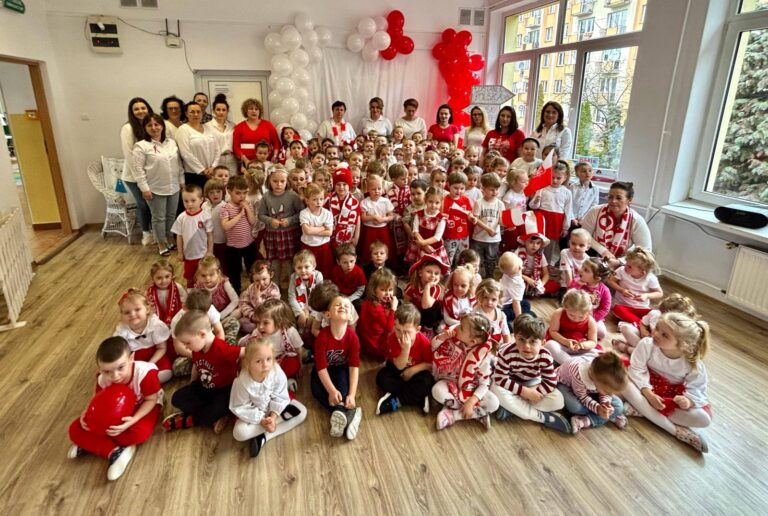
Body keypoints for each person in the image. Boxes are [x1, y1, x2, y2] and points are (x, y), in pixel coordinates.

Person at [67, 336, 162, 481]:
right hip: (116, 411)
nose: (115, 376)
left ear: (131, 358)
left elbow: (151, 400)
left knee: (140, 433)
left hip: (144, 405)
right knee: (75, 429)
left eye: (120, 367)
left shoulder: (145, 373)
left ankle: (94, 443)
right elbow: (97, 401)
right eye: (107, 371)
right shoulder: (103, 379)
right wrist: (87, 413)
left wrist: (132, 420)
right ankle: (114, 450)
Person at [622, 313, 712, 453]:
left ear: (683, 345)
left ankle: (641, 409)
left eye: (665, 335)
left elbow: (697, 389)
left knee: (704, 419)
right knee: (623, 382)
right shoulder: (647, 344)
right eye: (657, 328)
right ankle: (675, 431)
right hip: (644, 387)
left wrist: (688, 401)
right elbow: (637, 369)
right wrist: (649, 394)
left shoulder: (694, 364)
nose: (656, 334)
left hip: (669, 397)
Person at [164, 310, 244, 433]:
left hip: (223, 391)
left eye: (187, 343)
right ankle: (217, 416)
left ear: (202, 334)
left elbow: (245, 351)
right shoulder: (197, 348)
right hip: (205, 387)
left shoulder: (222, 349)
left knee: (214, 409)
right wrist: (192, 385)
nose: (186, 347)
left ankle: (191, 420)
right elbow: (196, 365)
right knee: (176, 398)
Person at [491, 314, 570, 433]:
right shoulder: (506, 352)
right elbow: (500, 378)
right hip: (511, 381)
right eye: (521, 340)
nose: (526, 346)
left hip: (533, 383)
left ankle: (511, 408)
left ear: (542, 343)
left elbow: (551, 382)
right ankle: (541, 417)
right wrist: (524, 392)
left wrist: (535, 392)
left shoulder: (545, 356)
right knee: (494, 388)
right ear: (515, 338)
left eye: (533, 341)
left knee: (558, 401)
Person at [229, 338, 307, 458]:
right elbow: (241, 407)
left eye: (269, 359)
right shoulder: (241, 382)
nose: (265, 365)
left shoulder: (275, 371)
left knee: (302, 412)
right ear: (248, 363)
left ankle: (264, 437)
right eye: (258, 361)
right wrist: (262, 420)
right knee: (239, 433)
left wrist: (273, 417)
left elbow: (280, 395)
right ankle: (276, 422)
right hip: (254, 414)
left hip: (273, 410)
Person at [431, 313, 499, 430]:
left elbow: (484, 384)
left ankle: (453, 415)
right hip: (449, 381)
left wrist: (471, 402)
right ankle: (477, 413)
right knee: (436, 391)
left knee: (494, 403)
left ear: (472, 341)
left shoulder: (483, 357)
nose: (457, 327)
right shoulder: (451, 336)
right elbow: (433, 345)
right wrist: (443, 337)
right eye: (460, 324)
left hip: (471, 387)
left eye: (461, 328)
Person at [311, 296, 363, 440]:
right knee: (316, 390)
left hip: (341, 368)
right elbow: (321, 368)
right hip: (323, 370)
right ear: (328, 314)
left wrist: (352, 395)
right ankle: (346, 413)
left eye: (346, 306)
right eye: (338, 304)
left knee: (343, 388)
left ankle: (340, 411)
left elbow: (354, 367)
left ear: (351, 316)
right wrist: (331, 391)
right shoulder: (322, 337)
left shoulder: (353, 337)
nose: (342, 306)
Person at [132, 114, 184, 256]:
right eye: (150, 125)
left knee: (171, 215)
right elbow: (138, 170)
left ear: (162, 126)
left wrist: (181, 181)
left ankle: (169, 238)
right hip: (155, 188)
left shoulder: (171, 143)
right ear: (145, 128)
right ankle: (161, 243)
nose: (154, 128)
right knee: (159, 218)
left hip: (173, 186)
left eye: (157, 124)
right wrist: (144, 188)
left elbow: (178, 164)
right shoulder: (141, 146)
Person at [375, 303, 435, 415]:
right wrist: (406, 349)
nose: (401, 335)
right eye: (398, 330)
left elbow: (429, 363)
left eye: (407, 332)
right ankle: (418, 396)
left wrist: (412, 370)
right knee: (381, 377)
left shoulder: (424, 342)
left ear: (417, 329)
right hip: (397, 367)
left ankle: (398, 401)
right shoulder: (393, 337)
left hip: (416, 371)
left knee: (428, 381)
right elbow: (399, 366)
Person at [580, 181, 652, 269]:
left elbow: (646, 251)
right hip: (594, 254)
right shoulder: (595, 211)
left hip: (625, 262)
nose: (613, 201)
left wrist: (619, 262)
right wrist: (603, 251)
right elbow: (583, 235)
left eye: (619, 198)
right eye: (610, 197)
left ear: (629, 200)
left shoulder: (636, 220)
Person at [557, 351, 628, 433]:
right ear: (596, 381)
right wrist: (598, 409)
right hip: (566, 385)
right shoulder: (579, 375)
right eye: (608, 391)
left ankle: (587, 420)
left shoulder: (599, 377)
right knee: (576, 407)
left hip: (590, 390)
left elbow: (605, 394)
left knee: (619, 405)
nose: (610, 394)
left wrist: (605, 404)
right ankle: (605, 416)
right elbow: (583, 397)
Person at [258, 166, 305, 287]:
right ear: (269, 181)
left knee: (290, 262)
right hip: (272, 235)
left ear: (287, 181)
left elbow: (302, 213)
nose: (279, 184)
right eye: (275, 181)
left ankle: (293, 286)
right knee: (274, 262)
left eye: (282, 181)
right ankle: (274, 287)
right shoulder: (266, 196)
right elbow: (261, 215)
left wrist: (290, 220)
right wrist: (270, 220)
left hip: (289, 234)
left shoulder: (292, 196)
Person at [114, 288, 172, 383]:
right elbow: (123, 355)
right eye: (127, 312)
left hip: (156, 354)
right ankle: (142, 382)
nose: (132, 314)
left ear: (147, 309)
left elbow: (161, 348)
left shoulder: (154, 324)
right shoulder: (122, 332)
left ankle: (148, 382)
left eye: (137, 309)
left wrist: (150, 364)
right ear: (122, 315)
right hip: (135, 358)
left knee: (166, 373)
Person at [120, 97, 154, 245]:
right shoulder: (128, 128)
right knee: (143, 204)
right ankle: (146, 233)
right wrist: (140, 178)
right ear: (132, 112)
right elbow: (129, 155)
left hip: (150, 174)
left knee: (152, 204)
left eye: (143, 108)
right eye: (136, 109)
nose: (140, 111)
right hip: (133, 176)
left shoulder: (151, 125)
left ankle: (154, 231)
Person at [615, 293, 697, 355]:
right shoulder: (655, 313)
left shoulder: (679, 330)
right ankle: (639, 350)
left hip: (659, 350)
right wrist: (643, 331)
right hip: (645, 341)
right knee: (625, 327)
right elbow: (643, 323)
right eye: (661, 313)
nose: (662, 317)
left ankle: (628, 349)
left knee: (651, 355)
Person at [248, 299, 304, 382]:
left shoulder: (290, 332)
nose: (260, 327)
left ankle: (283, 381)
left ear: (279, 322)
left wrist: (301, 365)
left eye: (265, 323)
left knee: (293, 365)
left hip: (283, 359)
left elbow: (298, 349)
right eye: (258, 323)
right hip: (265, 361)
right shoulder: (256, 333)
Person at [529, 160, 574, 263]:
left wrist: (565, 227)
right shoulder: (542, 188)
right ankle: (534, 263)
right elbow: (533, 206)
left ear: (565, 177)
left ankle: (546, 264)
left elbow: (568, 210)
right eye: (552, 177)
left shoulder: (567, 192)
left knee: (550, 245)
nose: (554, 180)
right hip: (542, 219)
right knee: (538, 241)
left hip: (556, 221)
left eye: (558, 178)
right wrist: (536, 201)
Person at [607, 247, 664, 325]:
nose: (625, 267)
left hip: (641, 308)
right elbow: (610, 281)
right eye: (626, 263)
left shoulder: (650, 278)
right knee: (617, 309)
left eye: (630, 267)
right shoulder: (621, 270)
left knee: (656, 313)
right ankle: (641, 325)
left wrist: (646, 296)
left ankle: (636, 323)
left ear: (642, 272)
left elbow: (660, 293)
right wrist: (621, 290)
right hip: (622, 306)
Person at [544, 289, 600, 365]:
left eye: (581, 317)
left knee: (598, 354)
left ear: (588, 312)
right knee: (549, 345)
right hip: (561, 345)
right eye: (571, 315)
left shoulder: (591, 321)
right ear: (565, 307)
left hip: (579, 349)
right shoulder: (559, 313)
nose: (575, 319)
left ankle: (570, 362)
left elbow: (593, 342)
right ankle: (573, 365)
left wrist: (582, 345)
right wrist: (565, 341)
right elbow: (553, 331)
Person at [172, 184, 213, 286]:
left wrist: (210, 251)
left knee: (204, 277)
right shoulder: (181, 218)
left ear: (201, 200)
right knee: (190, 278)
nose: (189, 204)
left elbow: (210, 236)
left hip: (203, 256)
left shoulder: (206, 216)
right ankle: (191, 293)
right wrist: (180, 253)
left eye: (193, 200)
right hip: (189, 256)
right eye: (186, 201)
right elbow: (179, 237)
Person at [194, 256, 240, 344]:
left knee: (239, 312)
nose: (207, 278)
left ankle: (220, 332)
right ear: (198, 274)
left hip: (225, 314)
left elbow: (235, 300)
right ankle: (216, 330)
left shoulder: (224, 282)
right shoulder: (199, 286)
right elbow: (198, 305)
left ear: (218, 273)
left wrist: (221, 315)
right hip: (210, 318)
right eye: (203, 275)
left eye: (211, 275)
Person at [175, 101, 221, 190]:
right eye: (192, 112)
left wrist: (213, 167)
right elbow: (186, 154)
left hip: (212, 173)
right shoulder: (183, 130)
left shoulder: (209, 128)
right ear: (186, 114)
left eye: (198, 112)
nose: (196, 114)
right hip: (194, 174)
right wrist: (202, 170)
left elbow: (217, 149)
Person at [358, 268, 398, 361]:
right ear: (374, 289)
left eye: (390, 289)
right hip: (373, 343)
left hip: (368, 336)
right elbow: (389, 328)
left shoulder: (372, 300)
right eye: (383, 290)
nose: (387, 293)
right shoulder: (376, 308)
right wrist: (393, 308)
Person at [404, 254, 449, 336]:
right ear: (420, 273)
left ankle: (429, 328)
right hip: (416, 311)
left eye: (436, 273)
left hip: (430, 313)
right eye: (429, 272)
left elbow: (426, 305)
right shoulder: (412, 285)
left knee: (431, 310)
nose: (433, 276)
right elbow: (406, 301)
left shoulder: (436, 288)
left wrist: (427, 286)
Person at [471, 173, 504, 277]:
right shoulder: (479, 202)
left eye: (496, 189)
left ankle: (490, 277)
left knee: (491, 259)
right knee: (477, 259)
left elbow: (501, 220)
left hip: (494, 238)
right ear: (483, 189)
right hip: (479, 237)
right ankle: (477, 278)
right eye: (491, 190)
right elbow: (476, 219)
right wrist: (488, 229)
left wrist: (509, 223)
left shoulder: (500, 204)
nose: (495, 192)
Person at [405, 187, 449, 266]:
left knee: (432, 265)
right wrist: (423, 245)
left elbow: (437, 237)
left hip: (434, 247)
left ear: (441, 203)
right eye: (430, 202)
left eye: (437, 203)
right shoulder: (418, 214)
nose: (433, 205)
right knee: (419, 265)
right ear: (425, 200)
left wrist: (423, 243)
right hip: (419, 245)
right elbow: (415, 231)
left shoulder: (441, 219)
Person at [570, 258, 612, 340]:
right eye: (582, 267)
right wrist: (577, 285)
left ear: (597, 278)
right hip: (574, 314)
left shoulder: (605, 290)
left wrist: (593, 318)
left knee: (601, 333)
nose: (581, 270)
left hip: (592, 317)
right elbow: (569, 297)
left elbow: (605, 308)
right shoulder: (577, 281)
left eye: (586, 270)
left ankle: (584, 333)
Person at [233, 98, 280, 169]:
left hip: (266, 163)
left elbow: (276, 143)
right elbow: (236, 147)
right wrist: (246, 161)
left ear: (259, 111)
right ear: (246, 111)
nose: (254, 111)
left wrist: (275, 155)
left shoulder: (268, 125)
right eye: (251, 109)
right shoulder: (239, 127)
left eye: (256, 109)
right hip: (247, 163)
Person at [235, 261, 281, 334]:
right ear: (253, 279)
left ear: (271, 275)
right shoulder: (251, 287)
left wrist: (258, 298)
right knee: (239, 315)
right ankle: (227, 323)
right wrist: (251, 314)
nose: (261, 283)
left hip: (266, 318)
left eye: (264, 279)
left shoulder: (274, 291)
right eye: (257, 280)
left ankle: (257, 329)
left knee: (250, 326)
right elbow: (243, 302)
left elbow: (268, 311)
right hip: (251, 315)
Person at [300, 183, 335, 278]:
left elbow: (329, 232)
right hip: (308, 247)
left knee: (325, 270)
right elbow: (307, 231)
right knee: (309, 271)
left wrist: (313, 229)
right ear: (307, 200)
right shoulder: (304, 213)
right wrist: (323, 228)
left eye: (321, 199)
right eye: (315, 199)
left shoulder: (327, 213)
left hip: (324, 247)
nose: (319, 202)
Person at [359, 173, 395, 265]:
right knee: (368, 250)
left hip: (383, 230)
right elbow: (363, 218)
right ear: (368, 189)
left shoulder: (385, 201)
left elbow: (391, 216)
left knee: (384, 249)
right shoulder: (365, 202)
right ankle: (368, 267)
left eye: (379, 188)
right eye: (373, 189)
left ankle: (385, 266)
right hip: (369, 231)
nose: (377, 191)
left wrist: (383, 219)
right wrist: (373, 217)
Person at [443, 172, 476, 266]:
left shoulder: (465, 199)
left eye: (462, 188)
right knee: (449, 257)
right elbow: (440, 215)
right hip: (450, 235)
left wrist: (472, 218)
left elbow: (469, 213)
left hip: (464, 235)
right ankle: (448, 273)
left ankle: (460, 272)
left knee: (462, 257)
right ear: (449, 185)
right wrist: (444, 215)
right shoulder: (444, 200)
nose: (459, 191)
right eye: (456, 188)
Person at [288, 249, 324, 334]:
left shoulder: (318, 276)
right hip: (299, 306)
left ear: (313, 266)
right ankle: (298, 333)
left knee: (317, 320)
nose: (303, 270)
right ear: (294, 268)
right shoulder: (293, 277)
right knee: (290, 316)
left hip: (315, 307)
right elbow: (291, 297)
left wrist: (313, 315)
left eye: (306, 267)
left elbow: (320, 298)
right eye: (299, 268)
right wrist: (300, 313)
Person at [326, 166, 361, 249]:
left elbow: (358, 220)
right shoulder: (329, 201)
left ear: (349, 185)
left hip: (349, 238)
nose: (341, 187)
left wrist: (356, 237)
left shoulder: (354, 202)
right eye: (338, 184)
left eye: (344, 184)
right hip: (331, 238)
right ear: (334, 185)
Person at [145, 259, 187, 328]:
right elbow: (146, 305)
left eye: (167, 276)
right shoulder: (150, 292)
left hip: (176, 316)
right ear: (153, 278)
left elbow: (185, 300)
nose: (163, 281)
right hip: (158, 318)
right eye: (159, 278)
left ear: (172, 276)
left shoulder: (178, 287)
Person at [473, 278, 512, 347]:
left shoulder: (501, 315)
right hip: (479, 347)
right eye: (485, 297)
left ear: (499, 300)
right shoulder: (475, 314)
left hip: (495, 347)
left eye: (493, 299)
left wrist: (506, 348)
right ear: (480, 296)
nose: (489, 302)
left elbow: (506, 334)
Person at [206, 94, 238, 176]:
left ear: (227, 111)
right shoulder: (207, 126)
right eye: (218, 109)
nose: (221, 112)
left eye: (224, 110)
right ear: (213, 111)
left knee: (233, 181)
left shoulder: (233, 125)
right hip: (216, 159)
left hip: (232, 158)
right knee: (218, 182)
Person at [498, 251, 532, 329]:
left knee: (526, 303)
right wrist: (519, 319)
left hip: (500, 301)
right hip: (505, 306)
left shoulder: (506, 272)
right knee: (526, 308)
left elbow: (518, 273)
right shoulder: (517, 284)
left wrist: (527, 278)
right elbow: (516, 303)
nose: (521, 268)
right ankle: (510, 324)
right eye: (519, 268)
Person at [330, 243, 367, 310]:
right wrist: (339, 297)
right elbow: (333, 287)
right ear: (338, 262)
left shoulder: (359, 272)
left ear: (355, 258)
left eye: (351, 261)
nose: (349, 265)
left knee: (361, 305)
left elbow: (360, 290)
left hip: (354, 297)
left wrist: (349, 299)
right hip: (339, 295)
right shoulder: (335, 271)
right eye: (345, 262)